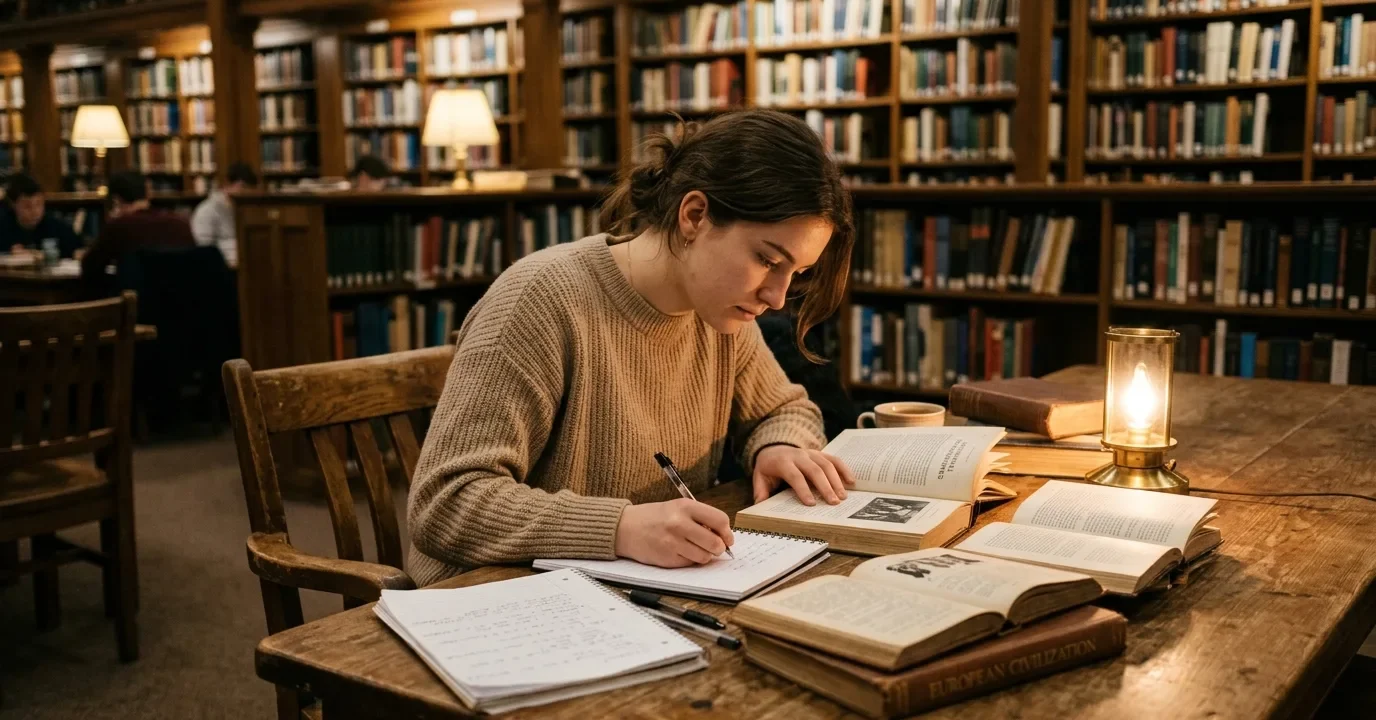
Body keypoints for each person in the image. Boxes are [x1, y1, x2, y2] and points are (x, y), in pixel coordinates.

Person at [407, 110, 858, 586]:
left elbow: (784, 409)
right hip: (491, 602)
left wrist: (778, 446)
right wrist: (620, 528)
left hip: (623, 588)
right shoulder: (540, 300)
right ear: (695, 215)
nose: (777, 297)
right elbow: (446, 501)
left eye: (796, 273)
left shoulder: (719, 312)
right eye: (767, 260)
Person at [80, 170, 196, 281]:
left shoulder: (120, 226)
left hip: (137, 299)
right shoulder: (181, 222)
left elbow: (90, 267)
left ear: (116, 200)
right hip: (184, 298)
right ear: (148, 194)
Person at [1, 173, 83, 258]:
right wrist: (9, 254)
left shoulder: (56, 227)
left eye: (39, 204)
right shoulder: (3, 227)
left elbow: (78, 250)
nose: (35, 211)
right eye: (27, 206)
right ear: (13, 205)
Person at [191, 162, 257, 267]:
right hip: (221, 269)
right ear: (227, 184)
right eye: (242, 187)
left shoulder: (246, 209)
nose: (246, 192)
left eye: (249, 188)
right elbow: (205, 250)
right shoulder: (206, 210)